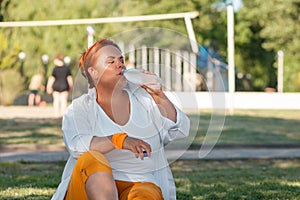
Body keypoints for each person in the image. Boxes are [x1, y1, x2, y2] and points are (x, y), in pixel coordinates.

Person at [51, 39, 190, 200]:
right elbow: (76, 145)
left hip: (140, 182)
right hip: (89, 187)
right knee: (92, 159)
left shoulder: (144, 99)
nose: (120, 65)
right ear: (93, 72)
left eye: (121, 60)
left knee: (146, 193)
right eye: (111, 61)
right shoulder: (80, 108)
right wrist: (119, 140)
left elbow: (178, 130)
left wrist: (159, 95)